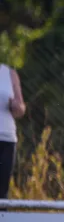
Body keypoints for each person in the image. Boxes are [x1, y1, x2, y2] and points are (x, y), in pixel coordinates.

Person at [0, 63, 25, 199]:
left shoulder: (9, 73)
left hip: (6, 138)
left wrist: (14, 105)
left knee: (2, 190)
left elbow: (21, 108)